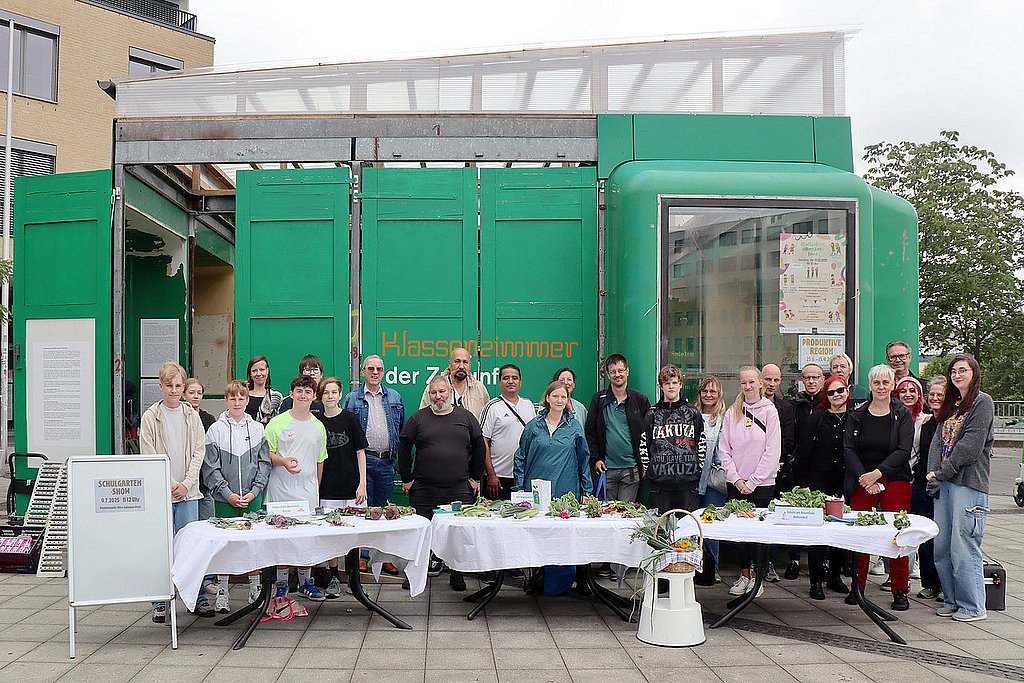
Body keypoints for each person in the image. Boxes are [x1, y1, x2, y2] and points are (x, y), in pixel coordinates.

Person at [400, 375, 486, 592]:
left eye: (442, 392)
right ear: (429, 395)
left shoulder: (465, 417)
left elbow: (479, 447)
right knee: (420, 534)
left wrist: (475, 477)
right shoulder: (418, 418)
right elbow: (404, 447)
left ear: (450, 393)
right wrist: (407, 478)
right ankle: (415, 575)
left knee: (457, 535)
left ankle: (457, 575)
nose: (438, 396)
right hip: (424, 487)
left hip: (458, 487)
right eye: (433, 393)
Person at [927, 354, 994, 622]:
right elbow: (937, 441)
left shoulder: (982, 402)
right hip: (944, 484)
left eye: (963, 370)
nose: (957, 375)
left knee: (963, 546)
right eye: (953, 371)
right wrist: (933, 477)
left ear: (974, 373)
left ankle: (973, 606)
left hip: (968, 483)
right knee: (941, 547)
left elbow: (970, 446)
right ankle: (952, 600)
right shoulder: (952, 404)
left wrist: (941, 472)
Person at [139, 361, 206, 623]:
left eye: (179, 385)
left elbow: (199, 451)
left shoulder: (192, 415)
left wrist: (186, 483)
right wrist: (169, 483)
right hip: (162, 493)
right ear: (161, 387)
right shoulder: (150, 416)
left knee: (191, 547)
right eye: (169, 385)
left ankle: (197, 597)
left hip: (189, 493)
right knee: (162, 547)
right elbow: (149, 454)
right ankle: (160, 601)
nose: (174, 390)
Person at [843, 364, 913, 611]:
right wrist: (865, 477)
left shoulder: (902, 414)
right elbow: (849, 449)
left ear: (893, 385)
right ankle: (857, 587)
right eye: (876, 383)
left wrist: (878, 474)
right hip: (862, 479)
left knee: (897, 534)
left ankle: (900, 590)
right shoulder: (857, 414)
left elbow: (904, 450)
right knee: (860, 536)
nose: (881, 387)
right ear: (870, 385)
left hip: (894, 478)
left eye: (886, 382)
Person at [202, 380, 272, 613]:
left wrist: (255, 491)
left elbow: (264, 464)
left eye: (241, 398)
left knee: (252, 545)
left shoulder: (257, 429)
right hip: (225, 501)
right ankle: (222, 592)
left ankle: (255, 589)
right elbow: (210, 468)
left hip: (252, 497)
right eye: (233, 398)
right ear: (226, 400)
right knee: (225, 546)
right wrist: (227, 493)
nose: (237, 402)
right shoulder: (215, 430)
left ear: (247, 400)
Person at [584, 354, 651, 579]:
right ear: (606, 375)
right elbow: (591, 432)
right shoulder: (599, 399)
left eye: (621, 370)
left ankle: (619, 565)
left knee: (624, 518)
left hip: (632, 470)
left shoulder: (640, 400)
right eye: (613, 372)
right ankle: (607, 563)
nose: (617, 375)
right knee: (606, 519)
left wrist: (644, 463)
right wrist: (596, 458)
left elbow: (647, 436)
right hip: (607, 470)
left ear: (627, 371)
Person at [264, 374, 329, 602]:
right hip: (281, 492)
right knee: (282, 540)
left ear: (314, 397)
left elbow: (320, 460)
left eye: (308, 392)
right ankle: (281, 585)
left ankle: (305, 583)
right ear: (291, 394)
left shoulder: (319, 427)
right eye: (299, 391)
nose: (303, 396)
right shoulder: (277, 423)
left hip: (308, 495)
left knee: (306, 539)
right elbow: (266, 455)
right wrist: (282, 461)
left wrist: (316, 490)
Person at [718, 366, 781, 597]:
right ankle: (744, 574)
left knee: (758, 533)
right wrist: (736, 478)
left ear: (760, 384)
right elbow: (724, 450)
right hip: (736, 483)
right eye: (744, 382)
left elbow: (773, 451)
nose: (748, 386)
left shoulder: (769, 412)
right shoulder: (732, 412)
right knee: (740, 532)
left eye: (752, 382)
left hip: (762, 485)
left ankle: (758, 576)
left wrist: (753, 482)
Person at [342, 354, 407, 576]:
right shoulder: (352, 399)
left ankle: (385, 558)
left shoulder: (395, 397)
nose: (375, 372)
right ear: (363, 372)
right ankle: (363, 557)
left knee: (386, 510)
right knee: (365, 511)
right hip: (364, 460)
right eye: (370, 368)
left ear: (383, 371)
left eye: (379, 369)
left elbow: (401, 430)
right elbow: (347, 432)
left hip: (387, 461)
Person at [792, 374, 850, 600]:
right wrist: (803, 484)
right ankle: (816, 579)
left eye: (840, 391)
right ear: (826, 396)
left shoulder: (854, 418)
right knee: (818, 532)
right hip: (818, 480)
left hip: (843, 481)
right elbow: (804, 452)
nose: (837, 395)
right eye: (832, 392)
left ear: (847, 392)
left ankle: (835, 576)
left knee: (840, 531)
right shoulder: (817, 418)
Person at [316, 376, 368, 598]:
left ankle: (355, 580)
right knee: (331, 537)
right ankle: (333, 578)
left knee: (355, 536)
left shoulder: (351, 419)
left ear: (340, 394)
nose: (330, 396)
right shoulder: (316, 422)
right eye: (326, 392)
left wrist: (362, 484)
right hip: (327, 489)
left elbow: (360, 453)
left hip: (352, 488)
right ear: (320, 396)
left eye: (334, 392)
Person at [638, 364, 705, 513]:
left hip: (688, 484)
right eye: (667, 383)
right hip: (660, 486)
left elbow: (701, 443)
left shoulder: (693, 413)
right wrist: (651, 470)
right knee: (660, 530)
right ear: (661, 386)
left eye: (674, 382)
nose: (671, 386)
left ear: (681, 384)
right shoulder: (652, 414)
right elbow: (643, 445)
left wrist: (697, 469)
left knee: (688, 530)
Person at [513, 381, 592, 499]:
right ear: (547, 398)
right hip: (536, 490)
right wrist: (519, 487)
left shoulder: (574, 427)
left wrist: (586, 491)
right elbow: (520, 457)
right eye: (555, 396)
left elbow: (583, 459)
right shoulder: (533, 426)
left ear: (567, 400)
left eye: (563, 397)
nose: (559, 400)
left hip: (566, 490)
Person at [761, 364, 797, 582]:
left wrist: (778, 461)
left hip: (777, 471)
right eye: (767, 380)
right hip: (754, 473)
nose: (771, 384)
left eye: (775, 380)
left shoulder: (786, 408)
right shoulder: (747, 406)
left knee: (773, 516)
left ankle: (770, 562)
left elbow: (788, 439)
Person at [481, 364, 537, 500]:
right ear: (500, 382)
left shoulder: (528, 405)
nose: (510, 381)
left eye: (514, 378)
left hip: (524, 476)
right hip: (498, 478)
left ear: (520, 382)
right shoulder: (492, 407)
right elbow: (483, 442)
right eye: (506, 378)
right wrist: (491, 475)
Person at [912, 376, 945, 601]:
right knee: (924, 536)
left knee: (943, 537)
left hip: (943, 485)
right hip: (922, 484)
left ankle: (945, 585)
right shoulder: (925, 423)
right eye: (931, 394)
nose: (934, 398)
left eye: (939, 395)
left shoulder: (951, 422)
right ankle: (929, 583)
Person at [695, 375, 727, 586]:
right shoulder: (692, 415)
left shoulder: (725, 419)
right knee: (692, 525)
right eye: (705, 391)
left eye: (712, 391)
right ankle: (694, 567)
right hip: (692, 480)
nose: (708, 395)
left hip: (713, 482)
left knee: (710, 526)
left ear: (719, 394)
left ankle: (712, 568)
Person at [418, 346, 490, 419]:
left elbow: (487, 419)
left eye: (465, 362)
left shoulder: (480, 388)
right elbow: (422, 418)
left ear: (470, 365)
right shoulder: (434, 388)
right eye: (457, 361)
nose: (461, 366)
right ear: (449, 364)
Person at [184, 377, 217, 522]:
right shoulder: (180, 417)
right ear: (183, 395)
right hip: (185, 483)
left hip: (204, 484)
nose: (196, 396)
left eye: (199, 393)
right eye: (192, 392)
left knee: (208, 524)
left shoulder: (209, 419)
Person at [245, 355, 283, 425]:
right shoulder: (243, 396)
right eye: (254, 371)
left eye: (262, 370)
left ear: (267, 371)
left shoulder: (276, 397)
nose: (258, 374)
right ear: (250, 374)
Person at [792, 363, 825, 442]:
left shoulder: (828, 404)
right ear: (802, 380)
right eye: (807, 378)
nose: (811, 381)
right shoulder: (794, 405)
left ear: (822, 379)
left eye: (814, 377)